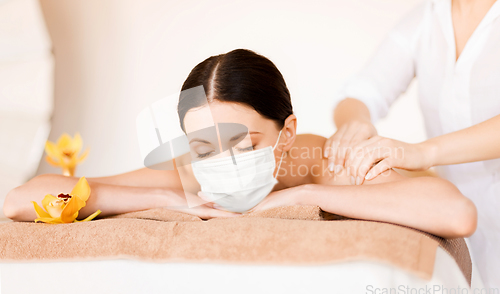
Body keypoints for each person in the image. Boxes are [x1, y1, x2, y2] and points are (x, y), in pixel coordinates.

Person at [3, 49, 476, 239]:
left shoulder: (326, 161)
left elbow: (456, 213)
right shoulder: (190, 170)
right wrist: (167, 198)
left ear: (285, 134)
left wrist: (302, 196)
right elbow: (22, 199)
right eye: (205, 148)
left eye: (244, 144)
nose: (221, 162)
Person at [323, 0, 500, 293]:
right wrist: (357, 122)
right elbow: (361, 92)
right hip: (462, 227)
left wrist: (423, 152)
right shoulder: (428, 18)